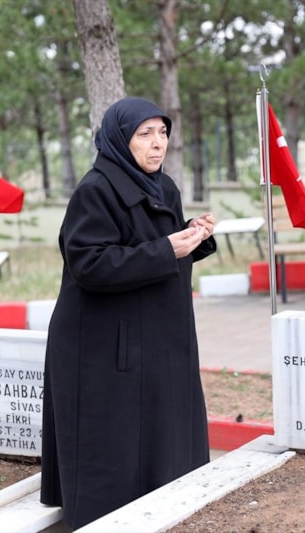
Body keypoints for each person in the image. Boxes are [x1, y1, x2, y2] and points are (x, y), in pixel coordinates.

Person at [39, 96, 217, 529]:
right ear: (121, 139)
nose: (158, 143)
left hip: (152, 336)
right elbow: (88, 263)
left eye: (163, 132)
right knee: (113, 448)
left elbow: (155, 244)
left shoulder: (163, 186)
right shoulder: (96, 191)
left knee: (160, 434)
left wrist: (192, 238)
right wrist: (166, 250)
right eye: (145, 134)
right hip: (103, 345)